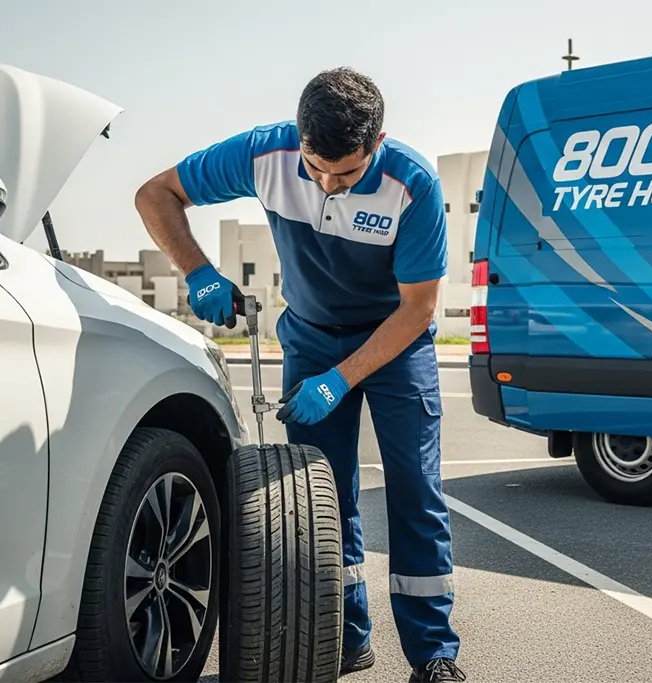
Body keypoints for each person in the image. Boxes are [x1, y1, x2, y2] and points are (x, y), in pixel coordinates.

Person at [134, 66, 465, 683]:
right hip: (312, 339)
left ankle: (434, 654)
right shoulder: (266, 153)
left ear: (378, 141)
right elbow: (155, 194)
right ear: (301, 138)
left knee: (416, 492)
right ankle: (344, 636)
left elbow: (419, 308)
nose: (327, 183)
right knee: (322, 499)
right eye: (316, 167)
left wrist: (341, 380)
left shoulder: (411, 185)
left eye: (346, 172)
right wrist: (198, 271)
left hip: (397, 344)